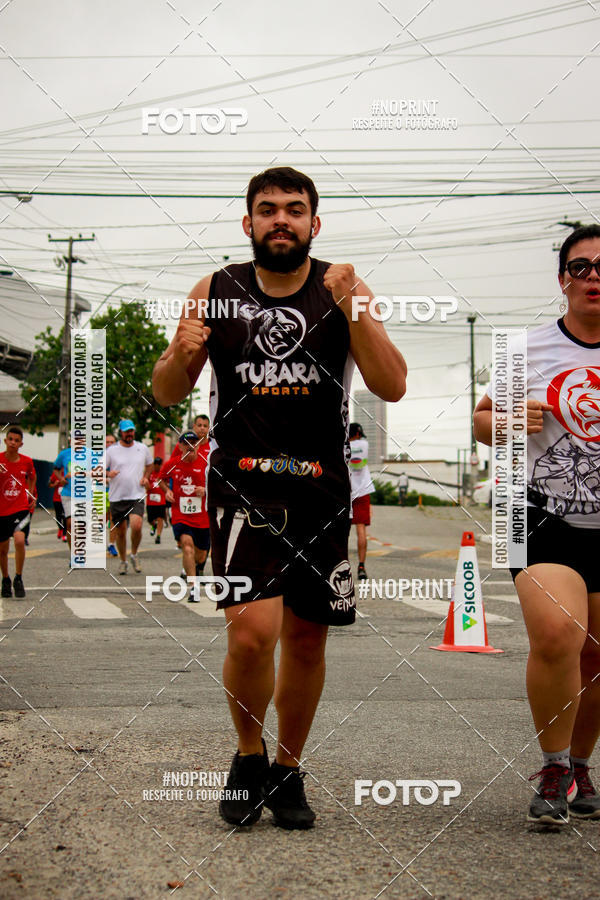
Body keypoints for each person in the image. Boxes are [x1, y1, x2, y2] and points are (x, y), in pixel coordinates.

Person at [153, 166, 406, 830]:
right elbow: (166, 391)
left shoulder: (342, 288)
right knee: (251, 632)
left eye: (295, 210)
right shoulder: (215, 289)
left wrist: (357, 312)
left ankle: (289, 769)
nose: (281, 220)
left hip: (322, 488)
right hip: (242, 485)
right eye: (268, 210)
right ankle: (247, 753)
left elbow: (394, 384)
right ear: (248, 223)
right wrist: (183, 354)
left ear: (314, 224)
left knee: (307, 638)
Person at [473, 223, 600, 826]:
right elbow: (480, 423)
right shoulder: (525, 349)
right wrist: (505, 421)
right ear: (562, 281)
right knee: (558, 636)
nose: (594, 276)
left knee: (598, 658)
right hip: (538, 516)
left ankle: (580, 764)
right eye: (581, 267)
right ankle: (552, 767)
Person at [158, 432, 210, 601]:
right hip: (181, 513)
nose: (190, 446)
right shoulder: (172, 464)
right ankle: (193, 587)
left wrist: (206, 491)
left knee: (201, 555)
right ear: (180, 446)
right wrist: (168, 491)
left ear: (198, 445)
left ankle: (191, 569)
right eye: (186, 443)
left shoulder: (206, 463)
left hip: (202, 515)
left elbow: (219, 482)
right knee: (186, 545)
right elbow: (161, 479)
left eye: (194, 442)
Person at [105, 419, 153, 575]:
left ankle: (134, 553)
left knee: (137, 525)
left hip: (136, 494)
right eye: (126, 431)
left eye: (131, 431)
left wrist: (146, 477)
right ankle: (123, 561)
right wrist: (108, 473)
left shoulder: (142, 448)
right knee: (120, 532)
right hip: (117, 497)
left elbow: (150, 464)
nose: (129, 434)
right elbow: (99, 469)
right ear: (121, 432)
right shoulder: (111, 451)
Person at [0, 425, 36, 598]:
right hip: (1, 511)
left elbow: (32, 477)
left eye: (17, 441)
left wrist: (30, 494)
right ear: (5, 441)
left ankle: (18, 577)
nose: (13, 443)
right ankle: (5, 579)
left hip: (20, 508)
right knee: (2, 549)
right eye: (10, 439)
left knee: (20, 540)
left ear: (21, 444)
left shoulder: (26, 461)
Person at [348, 422, 374, 581]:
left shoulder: (343, 445)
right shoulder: (364, 444)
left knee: (343, 531)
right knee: (361, 530)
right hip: (363, 491)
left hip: (347, 491)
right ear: (358, 433)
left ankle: (341, 567)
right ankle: (361, 566)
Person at [53, 438, 73, 555]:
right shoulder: (64, 454)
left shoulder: (90, 454)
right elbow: (55, 469)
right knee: (70, 523)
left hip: (85, 494)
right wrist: (61, 479)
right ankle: (74, 554)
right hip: (68, 493)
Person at [144, 457, 166, 543]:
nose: (157, 466)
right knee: (150, 519)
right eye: (155, 464)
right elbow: (147, 486)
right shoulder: (149, 473)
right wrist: (146, 485)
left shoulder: (163, 473)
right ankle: (154, 525)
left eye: (158, 464)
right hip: (151, 501)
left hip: (161, 500)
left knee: (160, 518)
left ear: (161, 465)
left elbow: (167, 484)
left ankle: (158, 536)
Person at [105, 433, 118, 556]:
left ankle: (111, 544)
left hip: (114, 491)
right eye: (107, 442)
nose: (109, 444)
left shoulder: (119, 456)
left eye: (112, 442)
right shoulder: (98, 457)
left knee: (113, 518)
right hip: (98, 491)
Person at [48, 467, 66, 541]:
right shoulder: (55, 474)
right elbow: (50, 484)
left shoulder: (68, 473)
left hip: (66, 498)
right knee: (58, 515)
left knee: (65, 516)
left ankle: (64, 534)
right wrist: (55, 484)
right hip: (56, 498)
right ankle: (60, 528)